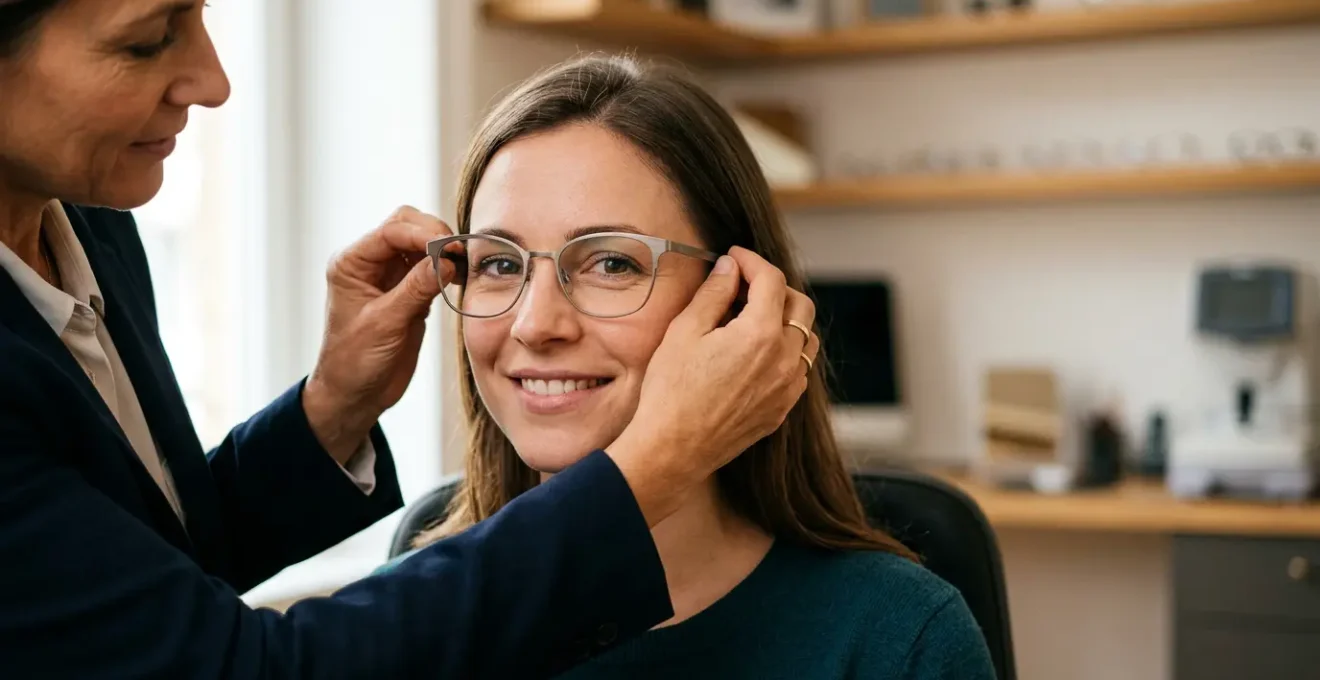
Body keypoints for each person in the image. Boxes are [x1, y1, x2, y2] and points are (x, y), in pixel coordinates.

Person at [0, 2, 820, 678]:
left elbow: (134, 575)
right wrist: (657, 462)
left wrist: (331, 410)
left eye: (608, 262)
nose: (213, 81)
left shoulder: (90, 225)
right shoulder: (427, 562)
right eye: (146, 39)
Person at [392, 54, 999, 680]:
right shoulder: (416, 609)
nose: (535, 323)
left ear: (740, 303)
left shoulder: (897, 638)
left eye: (612, 263)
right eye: (499, 263)